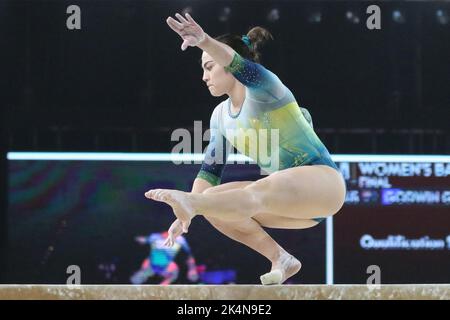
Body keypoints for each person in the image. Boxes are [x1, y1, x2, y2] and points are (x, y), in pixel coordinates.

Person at [145, 13, 347, 285]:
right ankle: (281, 258)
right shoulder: (220, 116)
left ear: (228, 65)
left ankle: (196, 204)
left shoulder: (266, 88)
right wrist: (188, 212)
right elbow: (210, 171)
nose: (204, 76)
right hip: (291, 206)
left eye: (209, 66)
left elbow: (239, 63)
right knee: (216, 205)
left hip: (323, 185)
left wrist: (204, 40)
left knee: (254, 191)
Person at [130, 231, 198, 285]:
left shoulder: (180, 239)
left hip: (165, 267)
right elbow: (143, 240)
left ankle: (161, 286)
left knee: (175, 274)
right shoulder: (155, 237)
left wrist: (192, 269)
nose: (166, 234)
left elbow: (189, 255)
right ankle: (140, 280)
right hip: (152, 265)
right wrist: (138, 238)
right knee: (136, 279)